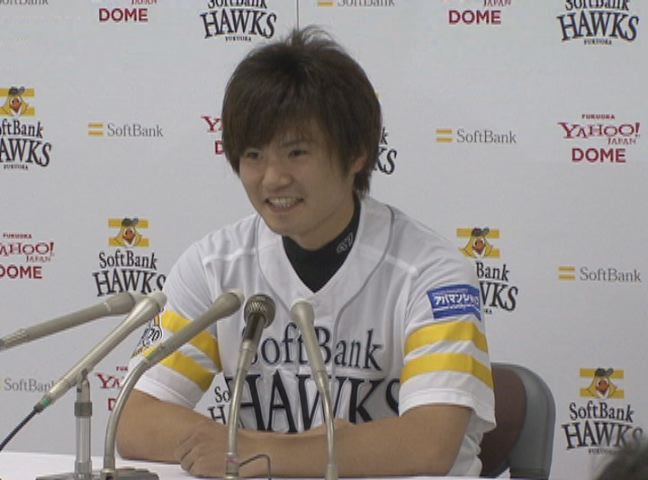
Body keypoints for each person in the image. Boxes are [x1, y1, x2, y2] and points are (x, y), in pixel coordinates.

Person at [116, 26, 495, 477]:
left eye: (296, 153)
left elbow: (429, 444)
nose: (273, 178)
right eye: (253, 155)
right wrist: (273, 449)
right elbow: (134, 419)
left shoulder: (432, 273)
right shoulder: (215, 266)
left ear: (356, 153)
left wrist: (251, 452)